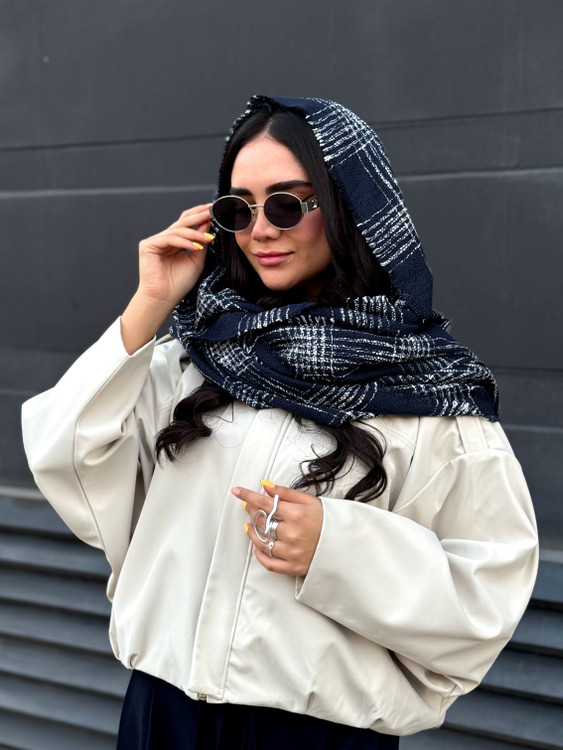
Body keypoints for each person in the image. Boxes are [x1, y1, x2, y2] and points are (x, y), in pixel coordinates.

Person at [21, 95, 538, 749]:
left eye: (288, 204)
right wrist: (150, 303)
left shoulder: (430, 389)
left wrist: (336, 548)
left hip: (317, 735)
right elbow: (65, 455)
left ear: (348, 206)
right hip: (162, 716)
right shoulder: (192, 362)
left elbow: (486, 596)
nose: (261, 229)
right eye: (239, 209)